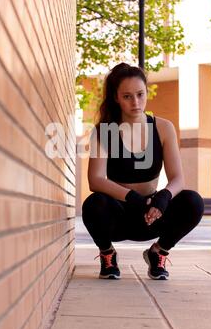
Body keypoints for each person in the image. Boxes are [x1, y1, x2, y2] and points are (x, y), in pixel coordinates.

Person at [82, 62, 204, 280]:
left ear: (147, 92)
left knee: (193, 201)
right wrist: (133, 198)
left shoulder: (163, 128)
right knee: (93, 204)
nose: (135, 102)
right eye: (127, 96)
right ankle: (107, 254)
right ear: (116, 97)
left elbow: (177, 178)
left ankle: (158, 253)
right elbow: (96, 180)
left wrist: (163, 198)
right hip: (119, 215)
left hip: (152, 214)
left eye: (140, 94)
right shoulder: (105, 131)